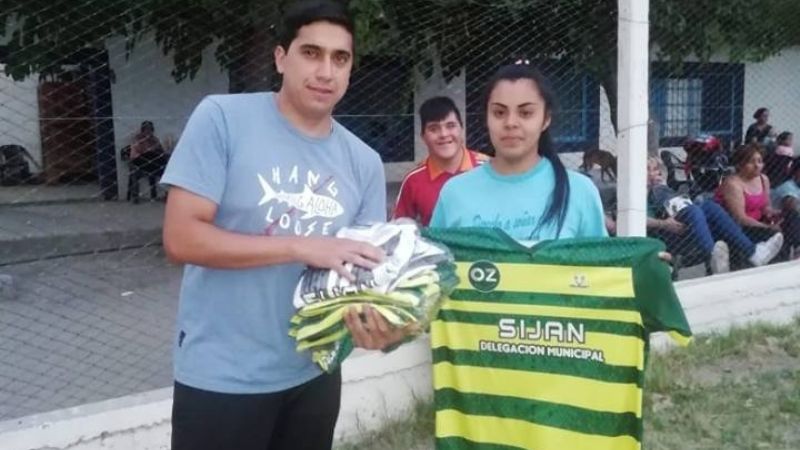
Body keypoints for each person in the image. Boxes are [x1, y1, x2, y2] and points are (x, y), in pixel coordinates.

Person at [160, 2, 405, 449]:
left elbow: (361, 276)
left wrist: (383, 321)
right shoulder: (223, 119)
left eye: (340, 58)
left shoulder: (364, 162)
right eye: (311, 53)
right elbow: (181, 237)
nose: (326, 71)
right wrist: (300, 246)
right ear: (280, 58)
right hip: (223, 378)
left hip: (313, 375)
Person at [429, 62, 606, 240]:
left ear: (545, 119)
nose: (510, 123)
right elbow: (435, 265)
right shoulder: (455, 193)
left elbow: (602, 267)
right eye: (499, 112)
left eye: (526, 113)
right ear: (486, 118)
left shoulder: (580, 191)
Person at [645, 156, 783, 272]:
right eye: (648, 169)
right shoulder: (630, 192)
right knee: (694, 210)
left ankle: (753, 253)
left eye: (656, 169)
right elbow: (629, 219)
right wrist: (663, 224)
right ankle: (713, 256)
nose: (655, 173)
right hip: (662, 234)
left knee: (709, 206)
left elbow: (674, 205)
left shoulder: (658, 189)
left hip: (681, 224)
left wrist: (658, 186)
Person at [392, 96, 488, 226]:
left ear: (461, 128)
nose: (443, 134)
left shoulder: (488, 170)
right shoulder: (413, 181)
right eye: (433, 129)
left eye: (450, 126)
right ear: (423, 137)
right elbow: (399, 229)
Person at [716, 143, 797, 262]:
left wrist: (777, 214)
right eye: (751, 162)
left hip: (760, 221)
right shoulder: (733, 183)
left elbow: (766, 208)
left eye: (759, 161)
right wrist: (768, 226)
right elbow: (741, 218)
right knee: (775, 233)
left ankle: (796, 252)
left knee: (792, 216)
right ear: (740, 164)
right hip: (742, 227)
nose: (757, 165)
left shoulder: (763, 179)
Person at [129, 120, 169, 203]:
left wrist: (156, 147)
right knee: (148, 155)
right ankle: (135, 197)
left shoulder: (154, 139)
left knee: (165, 165)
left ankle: (167, 194)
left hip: (152, 163)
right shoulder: (137, 138)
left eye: (150, 130)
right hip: (140, 162)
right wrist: (146, 143)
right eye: (146, 130)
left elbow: (160, 151)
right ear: (142, 130)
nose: (148, 131)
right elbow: (139, 150)